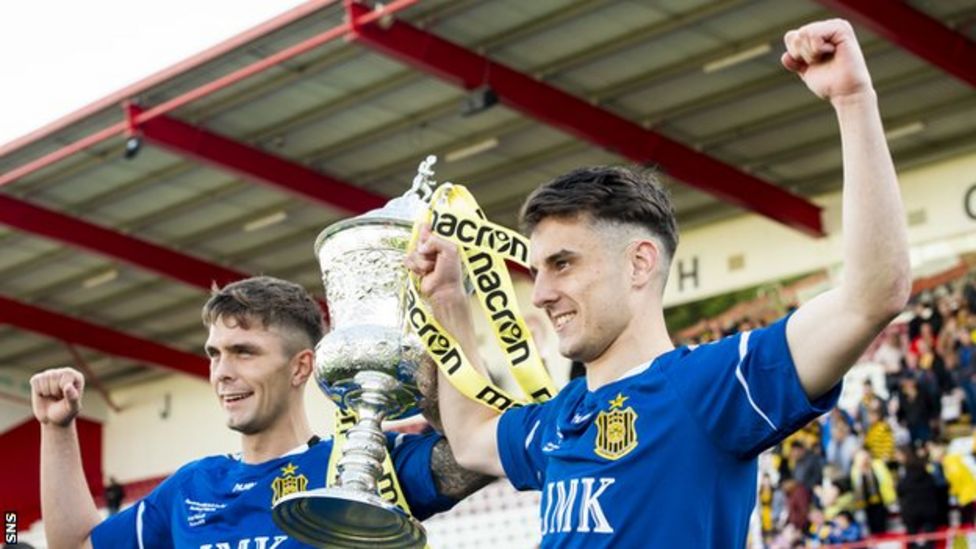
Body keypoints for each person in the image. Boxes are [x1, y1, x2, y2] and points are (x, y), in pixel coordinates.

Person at [406, 18, 910, 547]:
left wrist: (852, 101)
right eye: (538, 271)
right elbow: (470, 440)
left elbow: (872, 296)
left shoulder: (707, 387)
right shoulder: (560, 418)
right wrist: (448, 298)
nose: (541, 293)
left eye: (563, 264)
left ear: (639, 263)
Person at [30, 276, 490, 548]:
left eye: (244, 352)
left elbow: (478, 454)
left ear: (300, 367)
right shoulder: (191, 487)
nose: (222, 372)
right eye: (215, 354)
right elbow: (75, 545)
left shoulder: (361, 464)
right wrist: (56, 427)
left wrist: (445, 317)